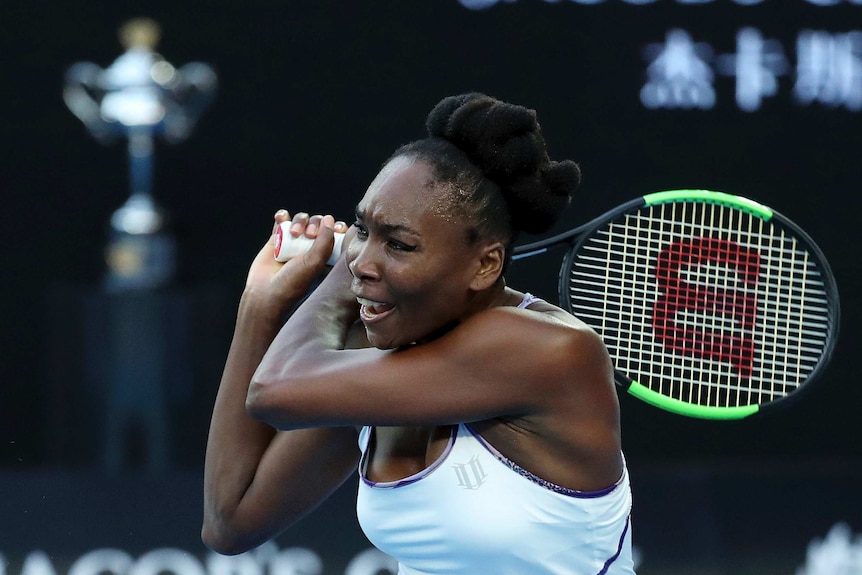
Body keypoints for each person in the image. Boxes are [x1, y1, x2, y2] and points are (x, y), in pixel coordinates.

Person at [202, 92, 636, 575]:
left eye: (400, 244)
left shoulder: (547, 351)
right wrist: (259, 303)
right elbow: (231, 521)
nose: (364, 259)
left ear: (486, 263)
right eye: (361, 228)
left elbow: (274, 390)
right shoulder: (378, 349)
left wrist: (340, 274)